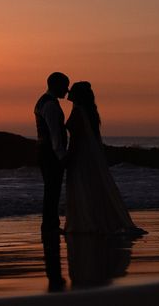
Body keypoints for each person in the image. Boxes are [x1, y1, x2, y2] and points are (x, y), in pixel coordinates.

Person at [64, 81, 145, 235]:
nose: (68, 92)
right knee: (91, 187)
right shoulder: (89, 112)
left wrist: (69, 156)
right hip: (89, 155)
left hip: (81, 155)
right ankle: (95, 219)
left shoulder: (78, 112)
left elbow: (76, 138)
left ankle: (87, 221)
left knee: (82, 187)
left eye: (72, 90)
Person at [34, 72, 69, 233]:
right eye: (64, 86)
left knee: (51, 189)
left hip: (44, 151)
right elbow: (55, 133)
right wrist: (61, 156)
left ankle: (50, 224)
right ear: (56, 85)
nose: (67, 90)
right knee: (52, 189)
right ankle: (50, 225)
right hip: (50, 153)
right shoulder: (50, 105)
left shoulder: (43, 102)